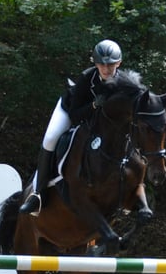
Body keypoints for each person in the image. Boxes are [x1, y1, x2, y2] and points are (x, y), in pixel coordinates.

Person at [19, 39, 123, 216]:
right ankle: (38, 195)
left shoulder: (125, 82)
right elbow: (75, 115)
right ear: (95, 63)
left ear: (119, 63)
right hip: (71, 110)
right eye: (101, 64)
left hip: (100, 123)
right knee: (51, 139)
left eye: (111, 65)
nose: (106, 69)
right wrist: (93, 106)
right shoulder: (86, 78)